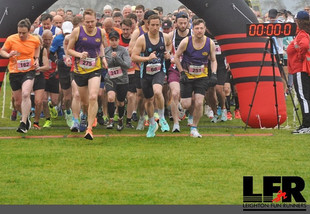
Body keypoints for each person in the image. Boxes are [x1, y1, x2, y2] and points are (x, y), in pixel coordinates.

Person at [67, 8, 108, 140]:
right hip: (80, 70)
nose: (90, 25)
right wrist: (80, 55)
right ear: (83, 22)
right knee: (85, 102)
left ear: (96, 20)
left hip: (95, 69)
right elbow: (69, 50)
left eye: (92, 22)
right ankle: (87, 115)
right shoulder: (77, 31)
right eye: (87, 22)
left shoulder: (101, 32)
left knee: (93, 96)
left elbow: (102, 47)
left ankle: (89, 129)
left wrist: (104, 59)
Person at [174, 18, 217, 138]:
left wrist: (213, 73)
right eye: (197, 28)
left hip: (202, 76)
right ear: (193, 29)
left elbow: (213, 60)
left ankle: (194, 128)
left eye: (201, 28)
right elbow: (176, 57)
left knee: (199, 102)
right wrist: (181, 72)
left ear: (205, 29)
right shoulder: (186, 42)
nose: (199, 31)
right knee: (186, 104)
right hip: (187, 76)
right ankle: (180, 106)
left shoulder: (210, 43)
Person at [132, 14, 171, 138]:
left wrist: (168, 53)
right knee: (148, 100)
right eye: (152, 25)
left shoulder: (164, 37)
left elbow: (169, 44)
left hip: (159, 70)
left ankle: (162, 118)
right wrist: (147, 58)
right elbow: (134, 56)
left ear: (160, 25)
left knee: (158, 92)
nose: (155, 27)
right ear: (147, 25)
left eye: (157, 25)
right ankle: (152, 123)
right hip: (145, 73)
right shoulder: (142, 39)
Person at [0, 18, 40, 133]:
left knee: (26, 93)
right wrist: (8, 55)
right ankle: (26, 117)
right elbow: (2, 50)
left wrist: (36, 59)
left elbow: (37, 47)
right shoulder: (11, 39)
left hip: (29, 70)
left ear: (29, 31)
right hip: (14, 72)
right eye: (19, 32)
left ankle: (22, 123)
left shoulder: (34, 40)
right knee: (17, 103)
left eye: (24, 33)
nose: (21, 35)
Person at [167, 11, 192, 132]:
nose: (182, 25)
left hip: (190, 69)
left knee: (191, 97)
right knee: (175, 93)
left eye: (184, 23)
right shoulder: (171, 36)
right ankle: (176, 123)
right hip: (175, 68)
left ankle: (190, 116)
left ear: (188, 23)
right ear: (175, 23)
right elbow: (166, 51)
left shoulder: (193, 34)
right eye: (180, 23)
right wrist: (169, 56)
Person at [287, 11, 310, 134]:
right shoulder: (303, 33)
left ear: (299, 21)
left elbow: (305, 45)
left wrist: (300, 56)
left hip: (300, 69)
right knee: (306, 97)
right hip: (301, 69)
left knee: (303, 97)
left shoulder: (302, 34)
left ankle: (306, 125)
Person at [105, 30, 131, 131]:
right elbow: (106, 65)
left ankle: (120, 119)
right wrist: (111, 59)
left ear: (118, 40)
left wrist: (118, 58)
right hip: (111, 79)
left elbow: (127, 65)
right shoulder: (106, 50)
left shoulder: (123, 50)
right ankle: (110, 120)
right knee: (110, 97)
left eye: (116, 40)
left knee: (120, 102)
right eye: (112, 40)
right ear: (109, 40)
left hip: (122, 80)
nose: (114, 42)